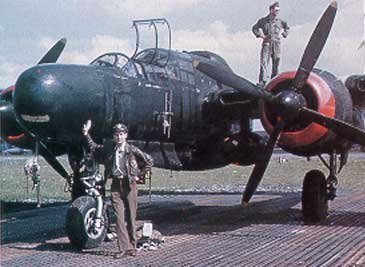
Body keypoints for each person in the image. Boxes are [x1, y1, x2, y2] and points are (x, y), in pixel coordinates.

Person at [82, 120, 153, 258]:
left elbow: (149, 161)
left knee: (131, 217)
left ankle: (132, 246)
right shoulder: (110, 149)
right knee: (119, 218)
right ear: (114, 137)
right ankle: (123, 248)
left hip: (130, 185)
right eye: (116, 135)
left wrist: (138, 175)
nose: (119, 137)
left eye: (121, 134)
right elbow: (94, 148)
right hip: (115, 185)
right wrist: (86, 134)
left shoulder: (132, 150)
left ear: (125, 135)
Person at [252, 2, 289, 86]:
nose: (277, 12)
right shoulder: (263, 21)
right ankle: (263, 80)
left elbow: (287, 28)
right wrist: (260, 36)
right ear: (271, 10)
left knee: (277, 60)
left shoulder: (281, 21)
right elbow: (255, 28)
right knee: (264, 61)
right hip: (267, 42)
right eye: (276, 10)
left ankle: (275, 79)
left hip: (276, 43)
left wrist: (284, 34)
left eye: (278, 10)